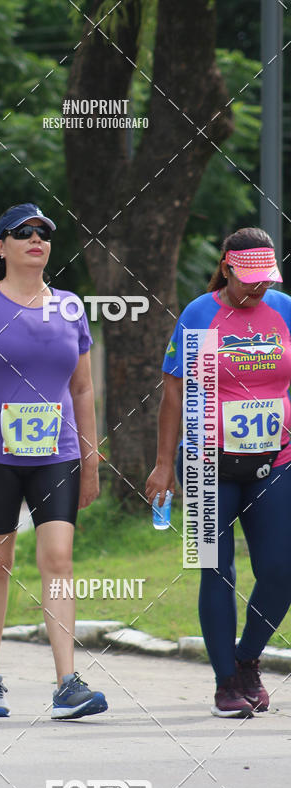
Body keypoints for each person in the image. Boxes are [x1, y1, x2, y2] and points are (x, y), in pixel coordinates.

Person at [0, 203, 107, 719]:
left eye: (44, 233)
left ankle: (67, 683)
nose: (36, 239)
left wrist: (91, 458)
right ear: (1, 246)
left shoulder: (70, 308)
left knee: (58, 559)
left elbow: (83, 389)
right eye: (22, 232)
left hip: (57, 455)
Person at [146, 227, 291, 718]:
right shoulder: (199, 314)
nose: (259, 286)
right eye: (249, 277)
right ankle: (226, 683)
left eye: (266, 277)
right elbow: (172, 393)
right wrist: (163, 465)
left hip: (276, 460)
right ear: (227, 267)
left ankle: (247, 658)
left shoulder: (284, 310)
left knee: (281, 570)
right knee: (215, 571)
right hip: (206, 465)